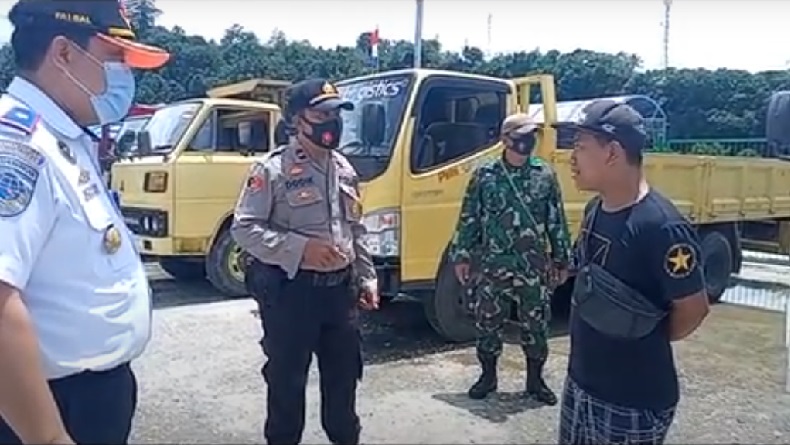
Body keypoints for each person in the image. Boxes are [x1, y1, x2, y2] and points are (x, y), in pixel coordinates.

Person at [0, 0, 170, 444]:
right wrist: (49, 437)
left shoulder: (63, 137)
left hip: (92, 396)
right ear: (63, 53)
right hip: (46, 407)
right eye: (114, 57)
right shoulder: (16, 145)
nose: (124, 75)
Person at [231, 78, 379, 445]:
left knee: (344, 381)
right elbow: (244, 228)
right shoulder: (272, 169)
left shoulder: (344, 168)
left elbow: (355, 227)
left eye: (336, 114)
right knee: (286, 384)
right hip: (292, 295)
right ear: (297, 120)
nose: (332, 122)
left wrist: (367, 276)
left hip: (339, 293)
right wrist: (299, 249)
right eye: (321, 114)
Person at [559, 99, 710, 444]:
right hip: (582, 384)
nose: (571, 158)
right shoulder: (595, 209)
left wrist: (642, 340)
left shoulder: (661, 227)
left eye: (580, 147)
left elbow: (693, 309)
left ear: (612, 152)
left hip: (631, 401)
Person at [449, 113, 572, 403]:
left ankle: (535, 382)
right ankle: (488, 377)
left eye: (531, 135)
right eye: (521, 135)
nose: (527, 141)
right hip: (494, 264)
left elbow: (556, 219)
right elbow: (469, 217)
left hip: (533, 265)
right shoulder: (485, 174)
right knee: (488, 321)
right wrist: (462, 255)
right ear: (505, 139)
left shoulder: (544, 174)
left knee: (536, 322)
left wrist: (562, 260)